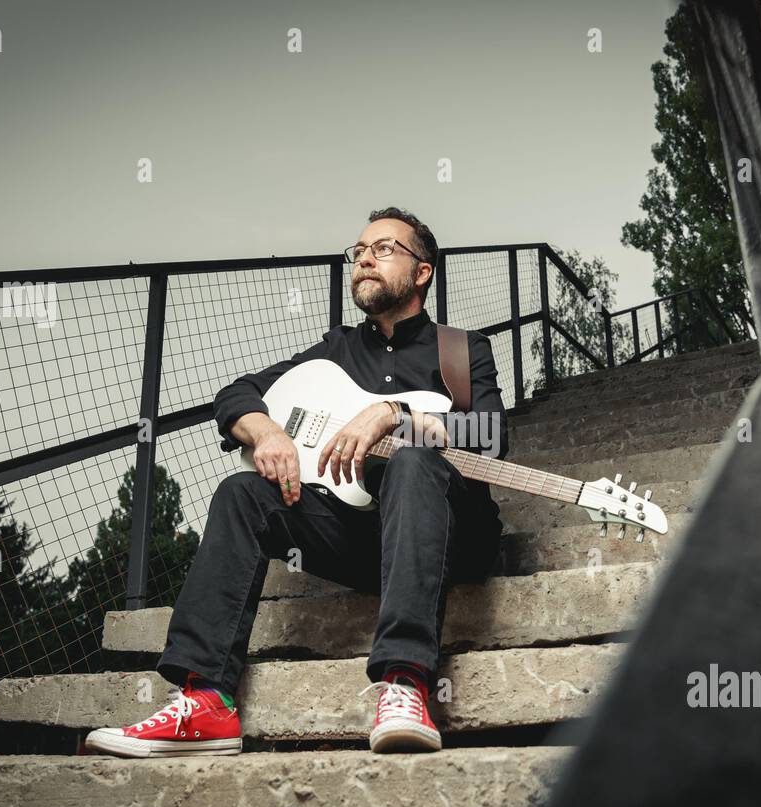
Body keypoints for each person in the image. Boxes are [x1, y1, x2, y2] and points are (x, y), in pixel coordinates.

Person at [85, 207, 508, 757]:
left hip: (450, 536)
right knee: (242, 493)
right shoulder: (334, 351)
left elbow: (494, 435)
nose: (363, 260)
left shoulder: (461, 350)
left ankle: (406, 684)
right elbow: (238, 393)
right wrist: (264, 432)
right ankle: (207, 701)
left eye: (382, 249)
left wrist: (394, 416)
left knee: (412, 461)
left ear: (422, 271)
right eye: (357, 251)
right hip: (361, 540)